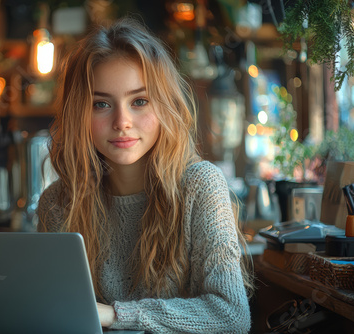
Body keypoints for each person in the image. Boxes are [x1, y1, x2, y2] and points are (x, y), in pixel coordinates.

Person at [37, 18, 254, 333]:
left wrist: (114, 315)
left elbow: (231, 315)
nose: (122, 121)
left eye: (139, 101)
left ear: (165, 106)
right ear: (79, 113)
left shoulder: (200, 185)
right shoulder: (57, 203)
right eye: (101, 104)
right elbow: (51, 311)